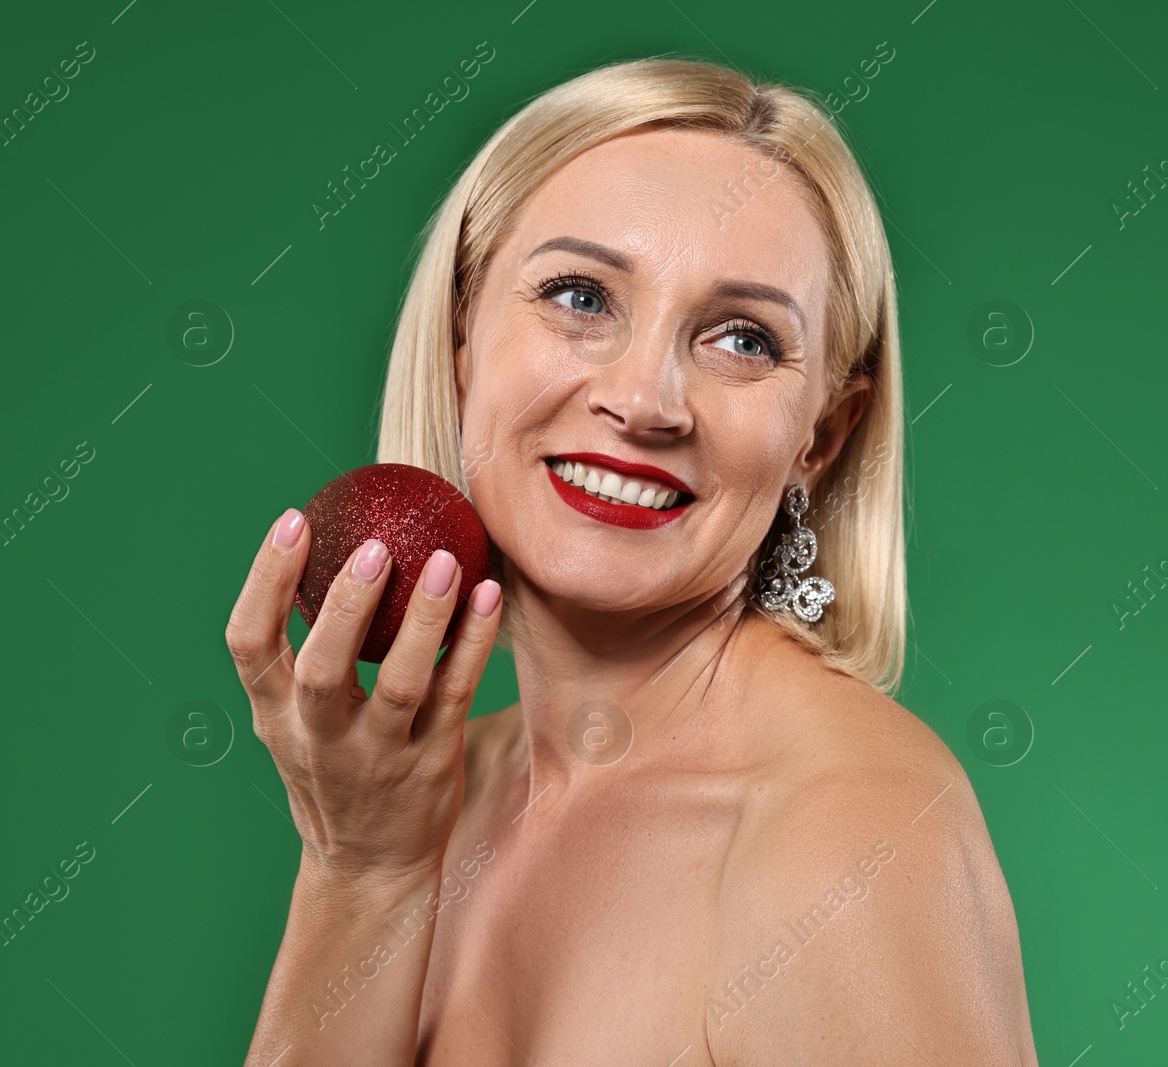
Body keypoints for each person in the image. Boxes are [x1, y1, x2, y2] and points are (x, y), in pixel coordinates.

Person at [229, 55, 1038, 1066]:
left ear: (819, 436)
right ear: (462, 342)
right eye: (579, 294)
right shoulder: (426, 796)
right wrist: (361, 873)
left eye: (742, 339)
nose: (646, 399)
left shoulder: (844, 829)